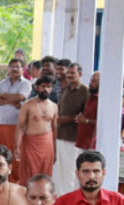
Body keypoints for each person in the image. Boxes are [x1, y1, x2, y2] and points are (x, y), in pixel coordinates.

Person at [0, 58, 32, 183]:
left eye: (17, 67)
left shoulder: (26, 84)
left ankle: (15, 180)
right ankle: (2, 177)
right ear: (8, 69)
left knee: (14, 154)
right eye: (12, 67)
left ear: (22, 69)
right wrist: (13, 103)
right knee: (0, 153)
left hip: (15, 126)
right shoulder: (3, 83)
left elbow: (20, 96)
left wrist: (5, 96)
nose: (14, 69)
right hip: (1, 124)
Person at [15, 75, 58, 186]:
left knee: (45, 176)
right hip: (30, 145)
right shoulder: (28, 105)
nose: (46, 89)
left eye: (49, 87)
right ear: (37, 87)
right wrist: (17, 146)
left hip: (47, 145)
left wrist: (55, 151)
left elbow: (54, 128)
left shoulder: (54, 106)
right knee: (29, 176)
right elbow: (20, 127)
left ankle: (43, 200)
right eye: (43, 86)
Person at [53, 63, 88, 196]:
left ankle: (70, 198)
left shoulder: (85, 91)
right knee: (58, 171)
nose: (70, 75)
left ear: (80, 74)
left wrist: (68, 119)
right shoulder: (65, 89)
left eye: (72, 73)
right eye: (68, 73)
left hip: (73, 138)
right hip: (60, 135)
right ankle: (60, 199)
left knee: (69, 171)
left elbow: (84, 115)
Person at [75, 71, 99, 150]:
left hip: (92, 144)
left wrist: (86, 120)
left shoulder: (100, 100)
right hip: (82, 142)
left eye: (94, 81)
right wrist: (80, 118)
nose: (90, 83)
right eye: (91, 80)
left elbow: (102, 123)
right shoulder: (90, 96)